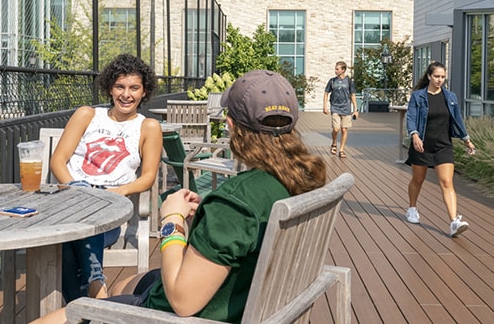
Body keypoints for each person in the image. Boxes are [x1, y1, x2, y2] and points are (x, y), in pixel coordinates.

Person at [32, 70, 326, 323]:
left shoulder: (237, 200)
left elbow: (183, 302)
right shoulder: (300, 179)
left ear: (232, 125)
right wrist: (207, 218)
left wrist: (172, 221)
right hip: (237, 299)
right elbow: (244, 232)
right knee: (126, 283)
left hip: (174, 316)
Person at [50, 53, 163, 301]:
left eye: (134, 88)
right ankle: (95, 289)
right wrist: (76, 188)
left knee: (75, 232)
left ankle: (86, 299)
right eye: (120, 86)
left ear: (144, 92)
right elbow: (58, 160)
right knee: (74, 226)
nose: (126, 94)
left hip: (110, 207)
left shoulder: (148, 127)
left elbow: (148, 178)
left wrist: (114, 194)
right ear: (110, 88)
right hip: (73, 195)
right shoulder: (87, 115)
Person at [405, 61, 476, 237]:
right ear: (429, 76)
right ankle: (412, 208)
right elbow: (411, 117)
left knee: (447, 182)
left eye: (443, 77)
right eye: (436, 76)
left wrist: (466, 140)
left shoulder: (450, 97)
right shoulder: (418, 96)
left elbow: (457, 119)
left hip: (443, 145)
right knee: (418, 180)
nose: (440, 80)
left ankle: (453, 222)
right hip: (422, 145)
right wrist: (414, 135)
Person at [323, 61, 359, 158]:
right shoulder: (332, 81)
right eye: (335, 68)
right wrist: (325, 106)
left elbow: (353, 95)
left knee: (344, 130)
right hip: (335, 107)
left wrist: (356, 109)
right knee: (336, 128)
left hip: (346, 108)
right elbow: (326, 93)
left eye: (337, 69)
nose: (335, 71)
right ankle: (334, 143)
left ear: (343, 70)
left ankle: (342, 149)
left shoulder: (349, 81)